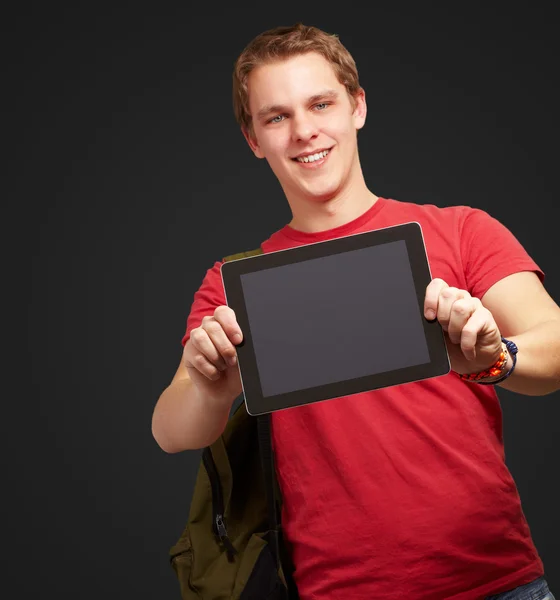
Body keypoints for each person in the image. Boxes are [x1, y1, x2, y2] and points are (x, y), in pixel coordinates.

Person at [152, 23, 560, 600]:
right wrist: (210, 387)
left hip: (496, 583)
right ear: (253, 138)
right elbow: (170, 430)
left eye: (320, 103)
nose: (304, 131)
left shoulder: (460, 230)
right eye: (276, 116)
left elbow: (556, 343)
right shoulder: (233, 282)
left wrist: (497, 357)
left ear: (357, 106)